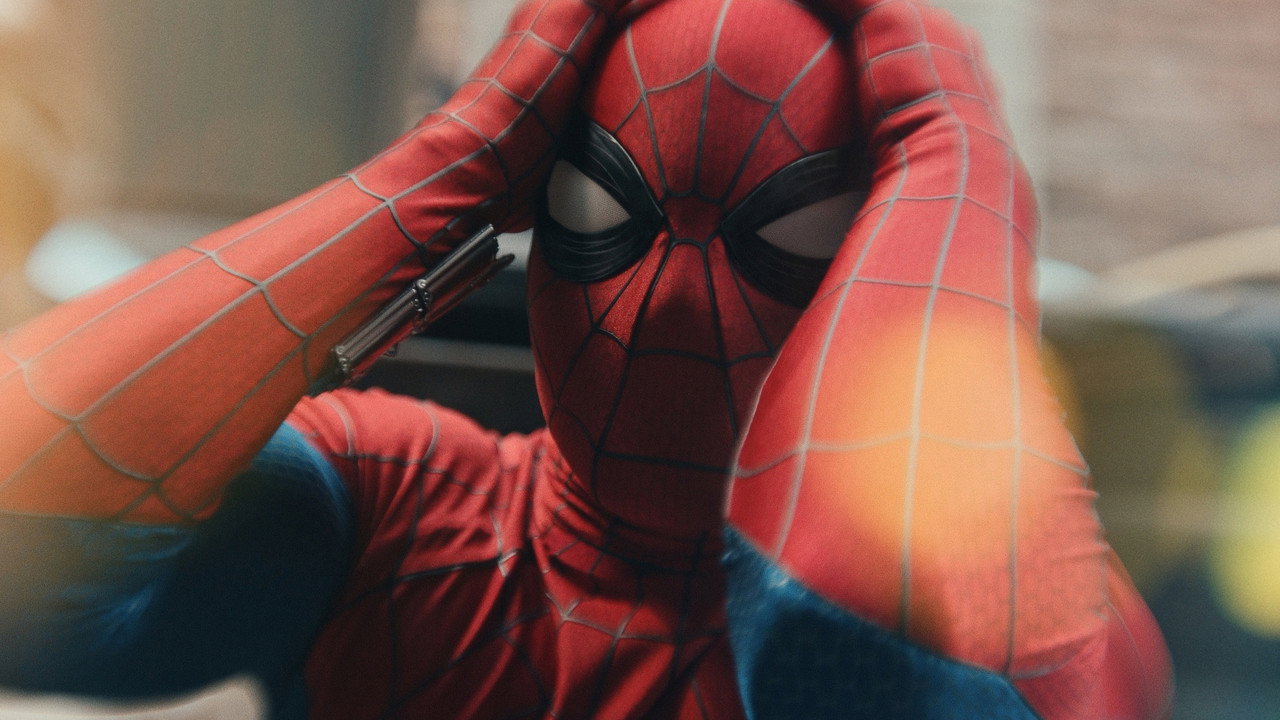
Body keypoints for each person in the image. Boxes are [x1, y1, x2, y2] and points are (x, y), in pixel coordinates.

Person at [0, 0, 1172, 718]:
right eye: (602, 214)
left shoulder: (1040, 609)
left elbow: (841, 647)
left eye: (788, 240)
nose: (669, 304)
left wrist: (957, 166)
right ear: (535, 207)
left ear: (878, 252)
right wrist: (439, 170)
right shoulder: (392, 508)